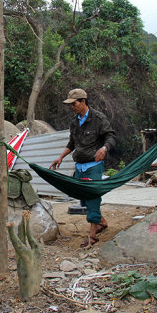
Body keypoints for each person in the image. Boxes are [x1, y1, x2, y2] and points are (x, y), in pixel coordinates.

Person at [49, 88, 115, 248]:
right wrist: (60, 157)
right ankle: (101, 222)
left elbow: (110, 136)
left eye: (74, 103)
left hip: (93, 166)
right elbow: (72, 143)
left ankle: (92, 236)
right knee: (83, 199)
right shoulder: (74, 122)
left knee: (92, 198)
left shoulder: (98, 118)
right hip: (80, 167)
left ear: (83, 102)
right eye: (70, 104)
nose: (72, 107)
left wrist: (104, 149)